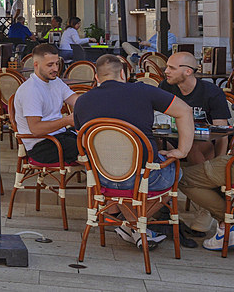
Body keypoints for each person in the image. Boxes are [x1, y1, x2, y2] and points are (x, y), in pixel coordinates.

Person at [73, 54, 193, 248]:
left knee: (125, 180)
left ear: (96, 77)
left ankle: (132, 227)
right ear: (123, 73)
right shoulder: (143, 91)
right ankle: (137, 226)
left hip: (102, 178)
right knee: (176, 172)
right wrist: (182, 151)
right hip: (145, 177)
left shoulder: (82, 101)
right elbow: (185, 111)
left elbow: (84, 139)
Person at [157, 51, 233, 246]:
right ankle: (158, 201)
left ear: (188, 71)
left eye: (172, 68)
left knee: (192, 147)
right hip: (172, 141)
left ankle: (205, 207)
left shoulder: (210, 91)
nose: (166, 71)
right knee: (154, 146)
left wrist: (219, 161)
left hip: (204, 146)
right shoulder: (165, 87)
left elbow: (222, 132)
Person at [12, 43, 80, 163]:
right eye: (50, 65)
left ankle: (98, 179)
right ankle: (102, 180)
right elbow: (36, 129)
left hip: (58, 137)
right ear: (36, 65)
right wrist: (67, 121)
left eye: (57, 63)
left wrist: (93, 103)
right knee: (91, 146)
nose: (55, 69)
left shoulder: (56, 81)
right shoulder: (31, 90)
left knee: (94, 140)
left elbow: (76, 101)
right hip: (40, 145)